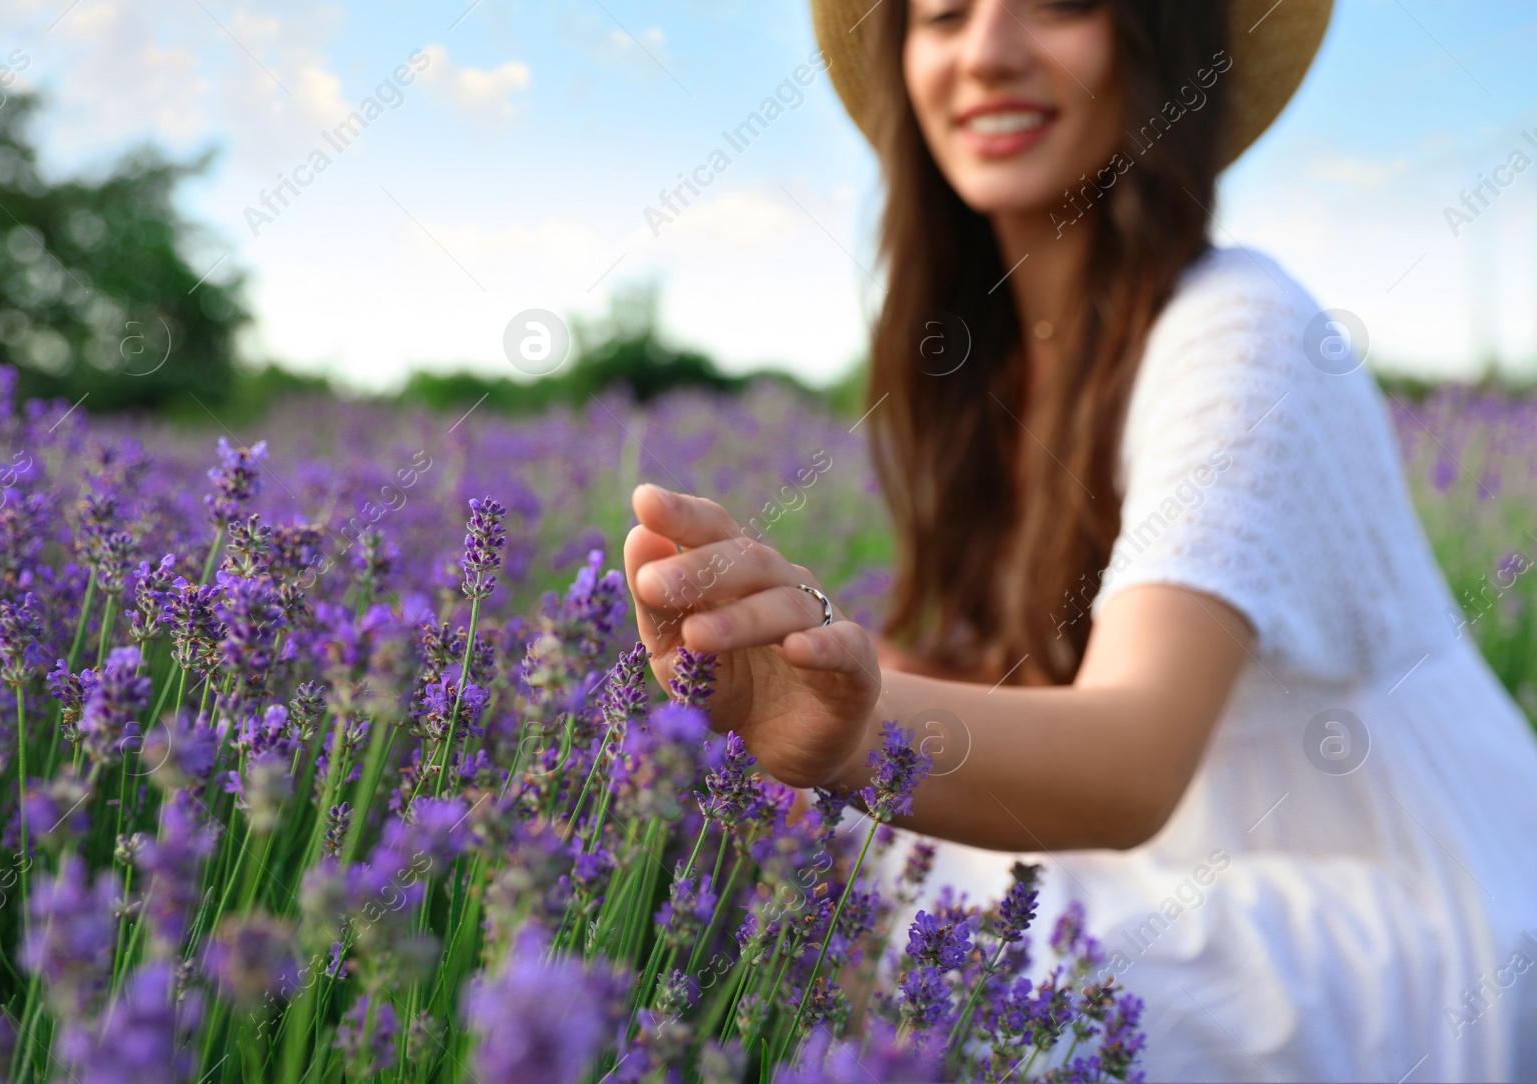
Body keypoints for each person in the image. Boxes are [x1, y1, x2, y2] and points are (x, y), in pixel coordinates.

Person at [620, 0, 1537, 1079]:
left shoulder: (1240, 325)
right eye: (943, 13)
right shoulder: (986, 361)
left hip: (1393, 913)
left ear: (1162, 42)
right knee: (790, 889)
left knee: (997, 1004)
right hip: (1173, 872)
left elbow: (1130, 758)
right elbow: (1008, 678)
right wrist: (781, 666)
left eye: (1057, 3)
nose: (988, 52)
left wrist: (857, 727)